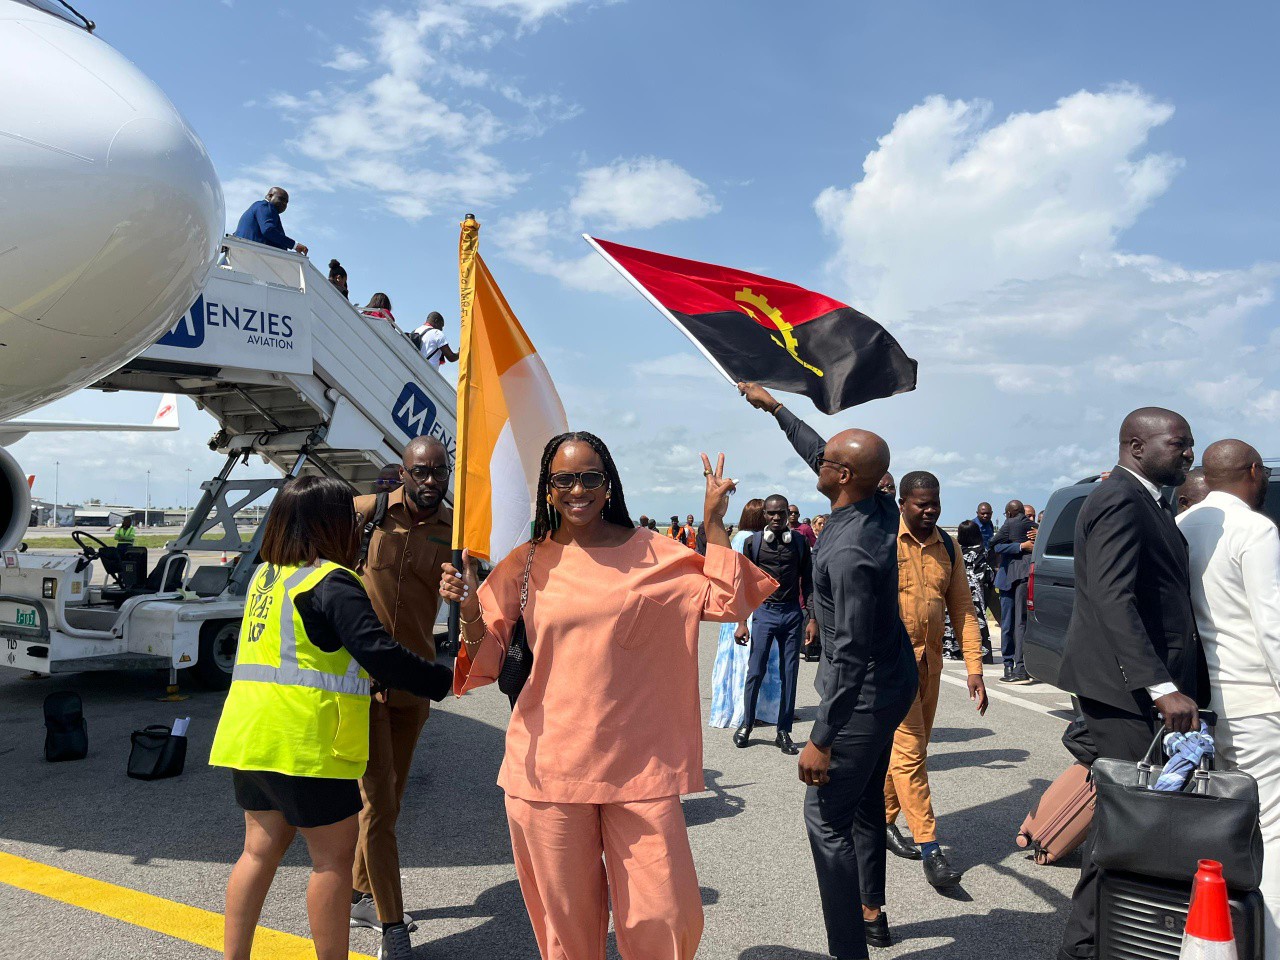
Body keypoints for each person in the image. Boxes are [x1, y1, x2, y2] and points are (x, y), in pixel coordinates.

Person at [440, 433, 775, 960]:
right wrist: (466, 611)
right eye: (564, 479)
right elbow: (485, 660)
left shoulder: (655, 553)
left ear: (609, 482)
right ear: (548, 489)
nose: (578, 489)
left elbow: (730, 600)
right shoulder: (524, 563)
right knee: (566, 932)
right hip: (546, 769)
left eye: (589, 477)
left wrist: (713, 522)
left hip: (640, 767)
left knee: (666, 915)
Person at [208, 476, 452, 960]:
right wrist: (444, 680)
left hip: (250, 739)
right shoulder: (332, 581)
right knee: (332, 864)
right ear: (331, 524)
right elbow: (378, 651)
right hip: (309, 745)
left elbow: (306, 649)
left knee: (257, 853)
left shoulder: (266, 576)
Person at [739, 381, 917, 957]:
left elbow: (850, 653)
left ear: (842, 476)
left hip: (866, 693)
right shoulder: (877, 501)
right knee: (863, 803)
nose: (818, 463)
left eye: (829, 462)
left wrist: (821, 737)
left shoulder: (849, 552)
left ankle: (849, 949)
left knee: (826, 820)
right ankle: (872, 913)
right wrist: (776, 409)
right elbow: (819, 449)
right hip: (892, 682)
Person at [1055, 407, 1206, 960]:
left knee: (1128, 822)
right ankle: (1085, 946)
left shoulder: (1149, 499)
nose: (1189, 453)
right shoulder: (1120, 497)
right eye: (1179, 443)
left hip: (1132, 686)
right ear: (1137, 446)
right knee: (1128, 824)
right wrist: (1160, 686)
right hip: (1124, 690)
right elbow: (1112, 598)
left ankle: (1098, 939)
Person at [348, 438, 454, 956]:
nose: (430, 480)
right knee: (379, 804)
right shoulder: (366, 514)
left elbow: (475, 603)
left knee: (392, 796)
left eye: (439, 471)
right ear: (404, 472)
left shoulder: (455, 532)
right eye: (421, 471)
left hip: (413, 681)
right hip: (363, 682)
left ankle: (357, 893)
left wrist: (464, 594)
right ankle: (391, 925)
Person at [1178, 439, 1280, 958]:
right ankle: (1270, 945)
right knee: (1272, 833)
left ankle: (1214, 937)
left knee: (1219, 826)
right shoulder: (1255, 529)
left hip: (1202, 706)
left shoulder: (1182, 525)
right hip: (1256, 700)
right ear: (1254, 471)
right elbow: (1272, 626)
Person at [883, 472, 989, 888]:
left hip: (930, 665)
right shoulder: (884, 540)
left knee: (912, 750)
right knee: (911, 753)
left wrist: (975, 668)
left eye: (935, 503)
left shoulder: (948, 545)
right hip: (892, 666)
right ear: (903, 504)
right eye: (921, 504)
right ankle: (931, 849)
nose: (930, 511)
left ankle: (880, 819)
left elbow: (962, 609)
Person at [733, 494, 814, 754]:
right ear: (764, 515)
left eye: (782, 513)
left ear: (788, 514)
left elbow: (808, 582)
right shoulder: (753, 543)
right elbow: (744, 585)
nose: (777, 517)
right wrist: (742, 622)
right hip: (765, 613)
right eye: (772, 513)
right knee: (755, 671)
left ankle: (783, 731)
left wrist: (812, 618)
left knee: (789, 673)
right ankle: (747, 724)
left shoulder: (799, 542)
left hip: (791, 614)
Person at [710, 498, 782, 730]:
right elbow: (744, 578)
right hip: (749, 607)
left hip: (740, 606)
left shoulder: (740, 537)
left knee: (740, 660)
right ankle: (751, 710)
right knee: (750, 660)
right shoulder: (749, 539)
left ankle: (743, 709)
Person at [991, 500, 1035, 684]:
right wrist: (1021, 546)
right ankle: (1008, 664)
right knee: (1008, 624)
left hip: (1024, 578)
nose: (1029, 519)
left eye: (1031, 516)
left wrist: (1039, 536)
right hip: (1007, 580)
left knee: (1021, 623)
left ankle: (1021, 666)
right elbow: (996, 546)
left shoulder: (1035, 531)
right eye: (1027, 515)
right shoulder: (1008, 528)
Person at [944, 519, 995, 664]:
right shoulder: (981, 551)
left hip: (955, 586)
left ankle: (953, 650)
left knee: (953, 619)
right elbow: (984, 573)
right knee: (975, 621)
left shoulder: (955, 549)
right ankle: (979, 652)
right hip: (973, 590)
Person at [233, 187, 308, 255]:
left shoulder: (256, 207)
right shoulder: (265, 206)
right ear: (269, 196)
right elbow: (268, 230)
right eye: (281, 199)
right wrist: (294, 245)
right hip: (257, 256)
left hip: (241, 254)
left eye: (286, 202)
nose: (284, 204)